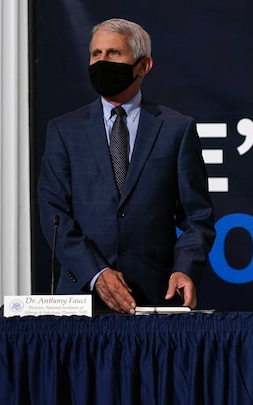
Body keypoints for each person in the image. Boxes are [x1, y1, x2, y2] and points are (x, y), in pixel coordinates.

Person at [37, 18, 216, 314]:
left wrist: (185, 268)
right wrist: (96, 273)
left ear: (143, 66)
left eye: (113, 54)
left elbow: (198, 216)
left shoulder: (176, 129)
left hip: (156, 299)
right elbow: (54, 212)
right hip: (82, 300)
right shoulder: (64, 130)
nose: (101, 62)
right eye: (96, 54)